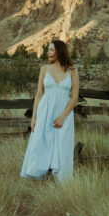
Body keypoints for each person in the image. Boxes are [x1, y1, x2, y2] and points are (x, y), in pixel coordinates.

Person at [21, 39, 79, 181]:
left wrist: (62, 117)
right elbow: (39, 94)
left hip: (64, 114)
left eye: (51, 50)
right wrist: (34, 118)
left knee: (62, 145)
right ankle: (38, 176)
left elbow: (74, 99)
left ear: (60, 51)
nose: (48, 52)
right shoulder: (44, 69)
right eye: (48, 50)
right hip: (44, 112)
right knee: (40, 143)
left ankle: (60, 179)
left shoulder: (73, 71)